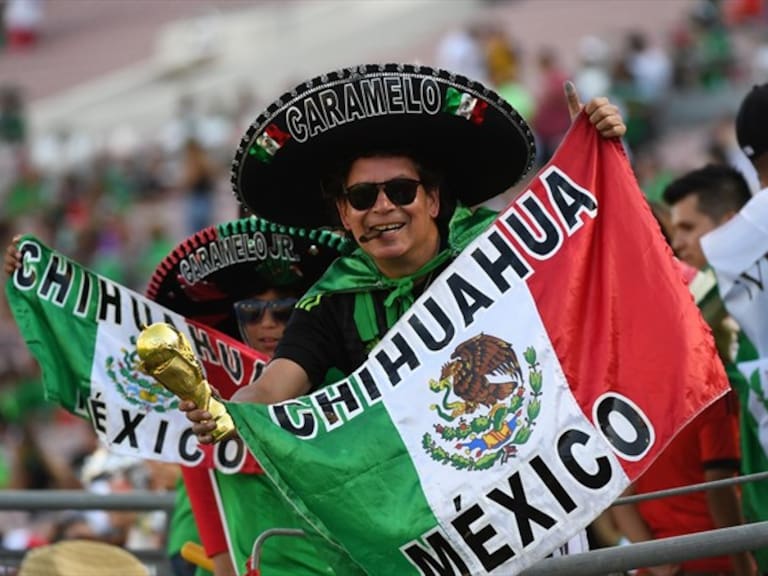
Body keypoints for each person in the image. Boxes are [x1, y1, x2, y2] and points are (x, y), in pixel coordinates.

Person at [144, 216, 352, 576]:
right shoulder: (213, 389)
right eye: (251, 312)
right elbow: (207, 499)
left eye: (283, 310)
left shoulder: (344, 380)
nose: (267, 323)